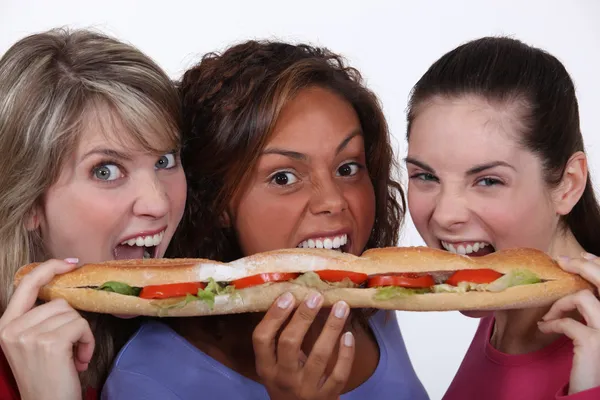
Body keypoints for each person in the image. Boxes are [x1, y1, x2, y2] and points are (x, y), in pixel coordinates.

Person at [101, 40, 429, 400]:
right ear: (219, 202)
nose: (334, 201)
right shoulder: (148, 380)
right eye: (284, 178)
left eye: (347, 168)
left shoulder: (370, 308)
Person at [404, 36, 600, 399]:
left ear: (568, 185)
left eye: (488, 180)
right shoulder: (503, 295)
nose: (445, 215)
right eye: (426, 176)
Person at [0, 28, 187, 400]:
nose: (159, 204)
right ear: (28, 203)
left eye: (165, 161)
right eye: (106, 170)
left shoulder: (180, 341)